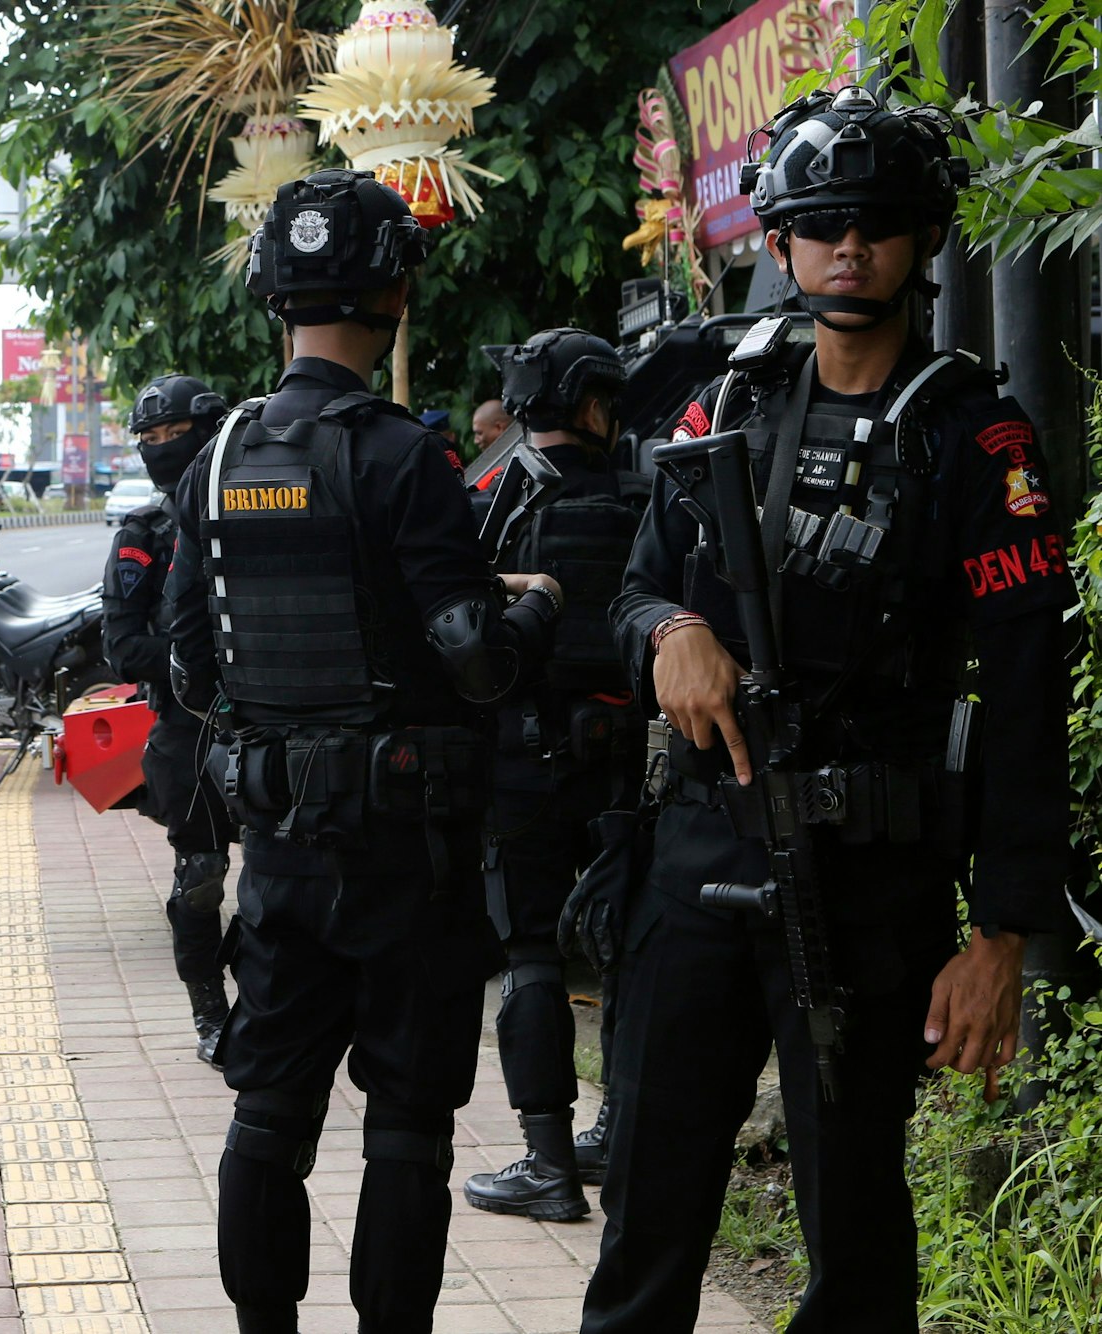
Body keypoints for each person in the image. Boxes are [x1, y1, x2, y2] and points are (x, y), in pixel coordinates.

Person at [579, 87, 1074, 1332]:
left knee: (855, 1236)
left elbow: (1024, 700)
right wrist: (670, 632)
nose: (847, 246)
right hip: (697, 853)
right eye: (822, 222)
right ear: (783, 238)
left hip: (866, 883)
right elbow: (634, 587)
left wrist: (1003, 934)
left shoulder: (976, 437)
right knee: (647, 1214)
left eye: (877, 221)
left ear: (920, 239)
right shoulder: (728, 399)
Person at [166, 168, 563, 1334]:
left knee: (267, 1115)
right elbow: (475, 659)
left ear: (268, 293)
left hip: (280, 852)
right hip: (409, 862)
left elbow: (190, 670)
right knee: (405, 1127)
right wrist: (531, 604)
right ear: (396, 290)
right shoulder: (403, 457)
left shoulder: (218, 454)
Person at [461, 329, 647, 1222]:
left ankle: (546, 1162)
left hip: (519, 759)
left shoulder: (484, 502)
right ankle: (614, 1136)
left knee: (530, 951)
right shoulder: (646, 496)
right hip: (629, 764)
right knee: (625, 950)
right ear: (591, 404)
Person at [102, 373, 238, 1065]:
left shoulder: (254, 509)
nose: (160, 449)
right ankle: (209, 1013)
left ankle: (272, 1006)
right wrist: (197, 659)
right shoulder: (143, 534)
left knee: (291, 882)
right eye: (147, 439)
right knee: (202, 874)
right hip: (187, 726)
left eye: (172, 435)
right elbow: (122, 645)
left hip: (269, 721)